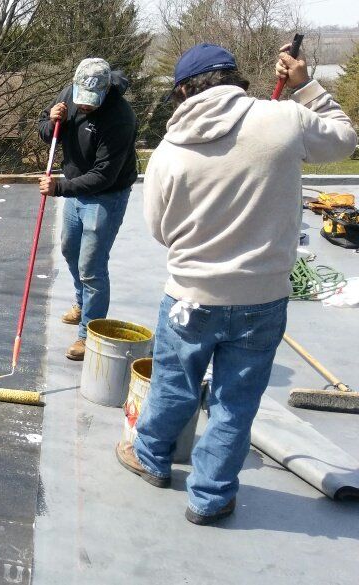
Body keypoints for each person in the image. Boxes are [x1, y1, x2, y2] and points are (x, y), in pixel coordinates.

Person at [116, 43, 357, 525]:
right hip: (262, 298)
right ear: (235, 80)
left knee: (174, 383)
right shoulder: (283, 119)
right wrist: (305, 86)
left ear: (184, 91)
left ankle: (150, 456)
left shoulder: (168, 151)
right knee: (235, 402)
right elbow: (345, 140)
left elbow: (161, 230)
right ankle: (210, 496)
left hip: (190, 295)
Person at [38, 58, 139, 361]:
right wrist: (51, 120)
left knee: (92, 267)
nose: (86, 107)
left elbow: (103, 175)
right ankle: (82, 304)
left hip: (107, 195)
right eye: (82, 101)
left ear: (107, 91)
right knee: (70, 250)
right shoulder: (70, 92)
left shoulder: (121, 117)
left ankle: (88, 333)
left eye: (92, 103)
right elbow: (45, 129)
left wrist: (59, 188)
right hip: (75, 190)